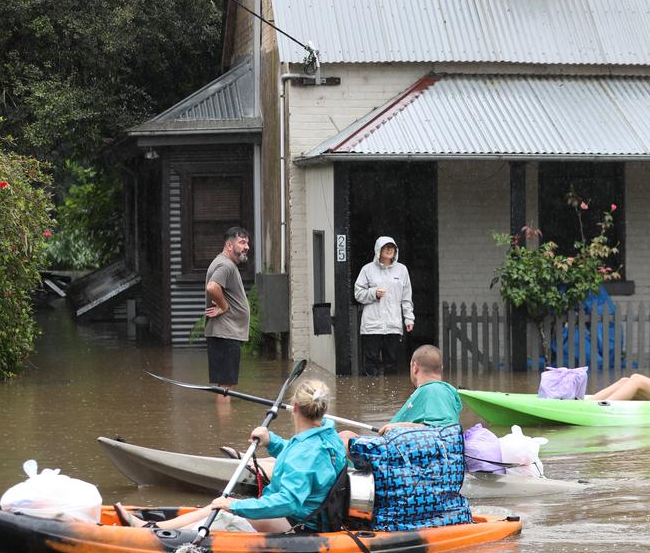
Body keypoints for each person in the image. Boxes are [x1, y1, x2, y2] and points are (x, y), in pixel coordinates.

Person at [115, 379, 346, 533]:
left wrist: (236, 506)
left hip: (299, 522)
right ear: (323, 409)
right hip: (309, 514)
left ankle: (153, 531)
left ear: (294, 407)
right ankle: (154, 526)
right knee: (216, 507)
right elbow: (301, 460)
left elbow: (288, 501)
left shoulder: (306, 453)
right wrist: (272, 442)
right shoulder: (327, 435)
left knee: (223, 511)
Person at [339, 344, 460, 451]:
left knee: (343, 439)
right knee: (346, 436)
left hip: (406, 455)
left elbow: (442, 431)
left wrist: (397, 427)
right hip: (403, 449)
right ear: (441, 368)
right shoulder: (436, 391)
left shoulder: (435, 390)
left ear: (415, 367)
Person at [354, 236, 414, 376]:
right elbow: (358, 294)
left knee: (391, 362)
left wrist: (409, 318)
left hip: (393, 324)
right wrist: (373, 293)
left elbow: (406, 297)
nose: (389, 250)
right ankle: (370, 394)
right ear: (378, 250)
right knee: (370, 362)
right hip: (371, 325)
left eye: (392, 247)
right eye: (386, 247)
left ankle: (391, 395)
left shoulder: (402, 270)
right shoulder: (367, 270)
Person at [204, 227, 251, 397]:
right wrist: (224, 306)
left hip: (225, 334)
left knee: (225, 386)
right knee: (226, 388)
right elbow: (212, 287)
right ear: (229, 245)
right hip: (226, 334)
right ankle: (224, 423)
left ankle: (223, 422)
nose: (247, 247)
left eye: (247, 243)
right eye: (242, 242)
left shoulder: (225, 263)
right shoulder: (225, 265)